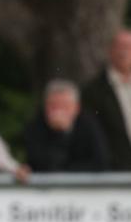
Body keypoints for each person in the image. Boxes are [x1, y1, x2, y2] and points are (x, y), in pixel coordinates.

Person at [25, 79, 109, 172]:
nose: (58, 111)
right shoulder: (35, 127)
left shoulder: (89, 125)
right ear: (45, 106)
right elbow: (39, 163)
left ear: (76, 108)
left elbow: (101, 162)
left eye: (65, 106)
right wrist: (59, 135)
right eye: (53, 106)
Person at [82, 29, 131, 170]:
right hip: (115, 171)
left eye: (128, 47)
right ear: (110, 51)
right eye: (119, 47)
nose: (124, 52)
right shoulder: (93, 91)